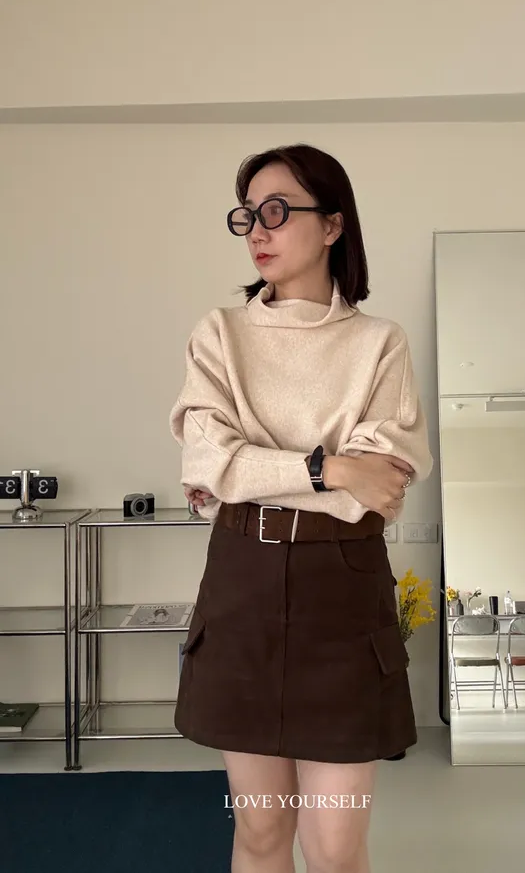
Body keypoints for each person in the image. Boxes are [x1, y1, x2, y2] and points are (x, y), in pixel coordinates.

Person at [169, 144, 433, 873]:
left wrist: (250, 471)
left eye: (278, 211)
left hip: (341, 588)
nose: (257, 230)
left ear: (333, 225)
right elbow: (206, 461)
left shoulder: (379, 344)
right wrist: (328, 468)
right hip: (243, 581)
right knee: (260, 830)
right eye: (247, 215)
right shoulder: (219, 334)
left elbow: (382, 483)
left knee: (335, 845)